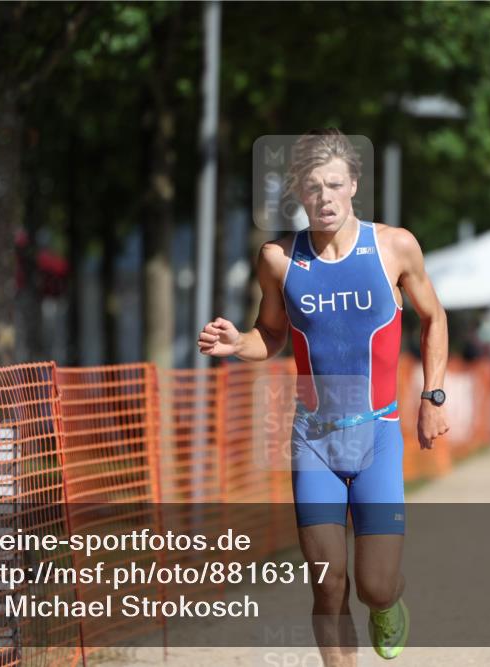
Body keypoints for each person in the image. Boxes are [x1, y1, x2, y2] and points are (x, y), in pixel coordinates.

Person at [198, 129, 449, 664]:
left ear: (354, 184)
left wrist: (434, 396)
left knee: (373, 585)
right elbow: (270, 334)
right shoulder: (278, 259)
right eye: (313, 187)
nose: (325, 197)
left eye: (335, 184)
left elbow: (433, 318)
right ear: (299, 193)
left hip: (378, 433)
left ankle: (389, 602)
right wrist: (236, 343)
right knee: (328, 583)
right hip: (313, 440)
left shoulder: (394, 246)